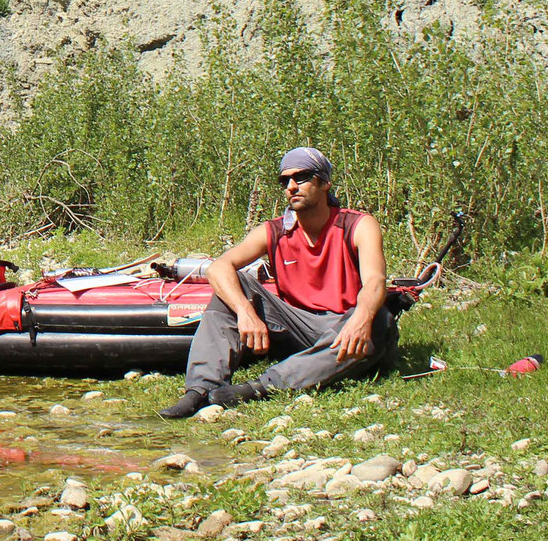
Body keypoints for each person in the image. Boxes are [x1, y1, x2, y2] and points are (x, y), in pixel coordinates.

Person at [159, 146, 395, 419]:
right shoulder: (274, 231)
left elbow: (376, 281)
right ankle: (199, 390)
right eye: (285, 181)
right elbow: (219, 268)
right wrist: (246, 313)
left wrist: (362, 318)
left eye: (302, 177)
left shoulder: (358, 225)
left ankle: (260, 387)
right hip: (297, 325)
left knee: (380, 318)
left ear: (325, 182)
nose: (292, 187)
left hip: (346, 324)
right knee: (232, 287)